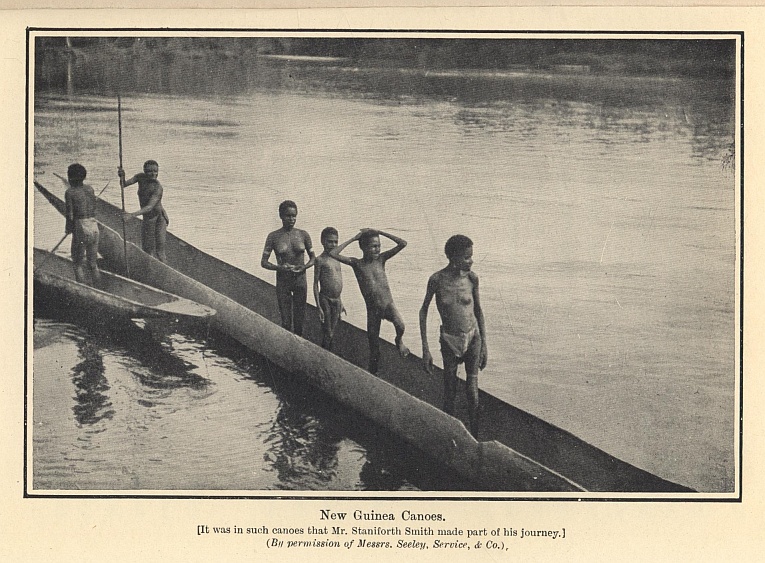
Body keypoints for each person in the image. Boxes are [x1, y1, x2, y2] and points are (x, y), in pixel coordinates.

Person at [419, 235, 488, 438]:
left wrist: (484, 345)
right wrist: (425, 349)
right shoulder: (437, 280)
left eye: (471, 257)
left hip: (473, 336)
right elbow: (423, 311)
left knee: (472, 390)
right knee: (449, 391)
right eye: (467, 257)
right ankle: (448, 434)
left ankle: (474, 436)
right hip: (450, 340)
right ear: (454, 257)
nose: (471, 261)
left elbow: (479, 311)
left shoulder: (472, 279)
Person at [330, 228, 409, 374]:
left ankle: (399, 340)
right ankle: (373, 374)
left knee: (400, 325)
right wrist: (354, 238)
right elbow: (333, 253)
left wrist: (379, 231)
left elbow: (402, 243)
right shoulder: (357, 264)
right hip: (372, 311)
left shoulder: (381, 259)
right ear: (363, 247)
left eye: (378, 245)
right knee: (374, 347)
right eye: (373, 246)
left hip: (388, 305)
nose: (377, 249)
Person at [261, 200, 315, 336]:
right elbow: (264, 262)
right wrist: (279, 267)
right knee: (286, 321)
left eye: (294, 216)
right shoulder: (273, 236)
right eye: (288, 216)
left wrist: (304, 267)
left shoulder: (303, 235)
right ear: (281, 216)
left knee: (299, 321)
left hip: (300, 281)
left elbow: (314, 258)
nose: (292, 219)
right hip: (283, 281)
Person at [118, 159, 169, 262]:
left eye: (155, 171)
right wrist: (122, 176)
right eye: (150, 171)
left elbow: (149, 207)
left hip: (159, 218)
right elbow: (123, 185)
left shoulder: (158, 187)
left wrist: (131, 215)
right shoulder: (140, 177)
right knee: (148, 249)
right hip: (148, 217)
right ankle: (150, 269)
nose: (153, 174)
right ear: (144, 171)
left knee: (160, 251)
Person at [63, 163, 101, 285]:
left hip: (82, 227)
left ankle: (81, 288)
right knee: (93, 264)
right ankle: (99, 287)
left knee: (77, 263)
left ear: (69, 178)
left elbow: (70, 214)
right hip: (94, 225)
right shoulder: (90, 189)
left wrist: (68, 229)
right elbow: (94, 207)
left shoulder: (70, 192)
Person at [313, 227, 345, 350]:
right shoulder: (320, 260)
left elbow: (338, 281)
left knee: (333, 331)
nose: (333, 245)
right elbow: (315, 284)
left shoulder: (337, 259)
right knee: (328, 331)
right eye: (330, 241)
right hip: (325, 299)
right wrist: (318, 306)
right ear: (322, 241)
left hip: (336, 300)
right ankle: (325, 354)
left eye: (335, 242)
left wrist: (341, 302)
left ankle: (327, 352)